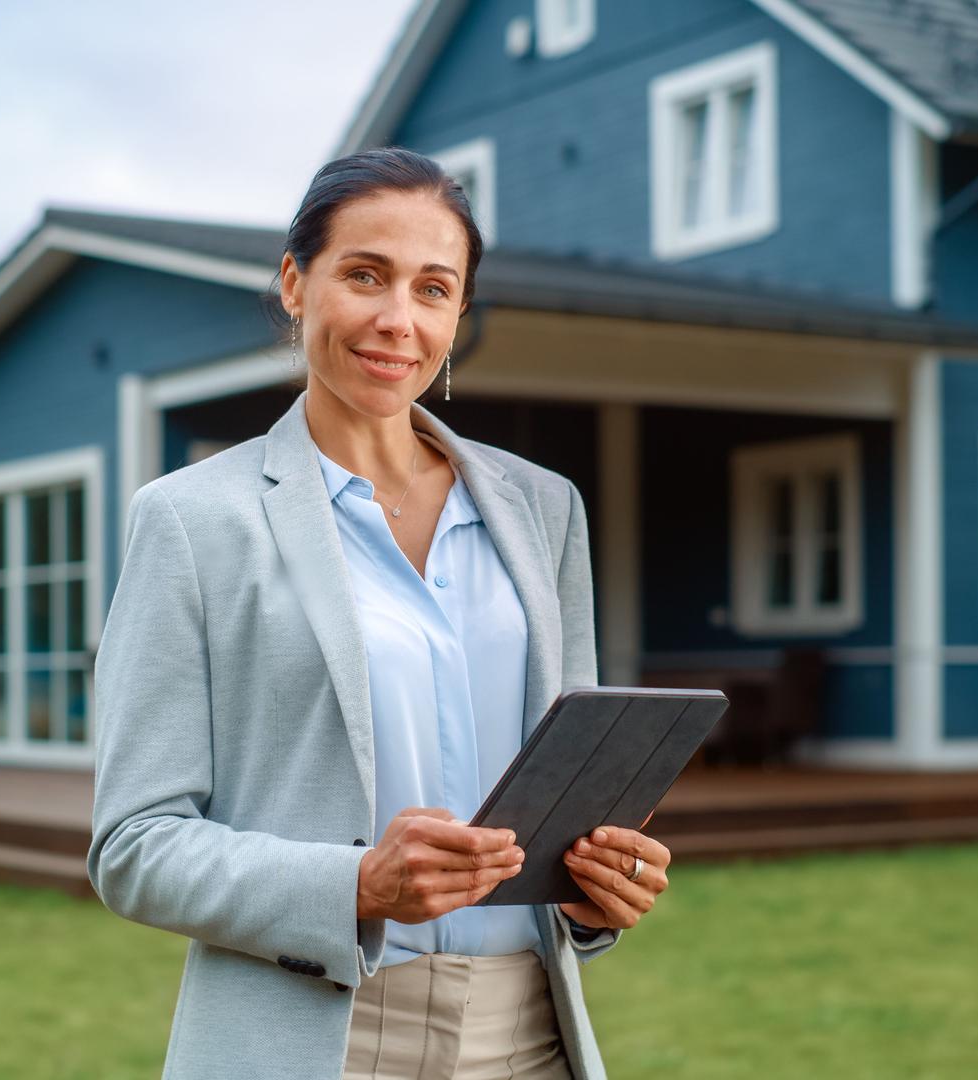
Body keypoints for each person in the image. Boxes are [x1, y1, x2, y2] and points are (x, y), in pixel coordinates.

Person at [87, 147, 674, 1080]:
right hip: (321, 1041)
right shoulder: (193, 521)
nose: (398, 320)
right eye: (365, 275)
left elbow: (568, 793)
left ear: (458, 315)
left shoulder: (543, 509)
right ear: (295, 282)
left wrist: (594, 891)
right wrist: (353, 885)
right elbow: (133, 846)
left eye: (434, 289)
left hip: (531, 1040)